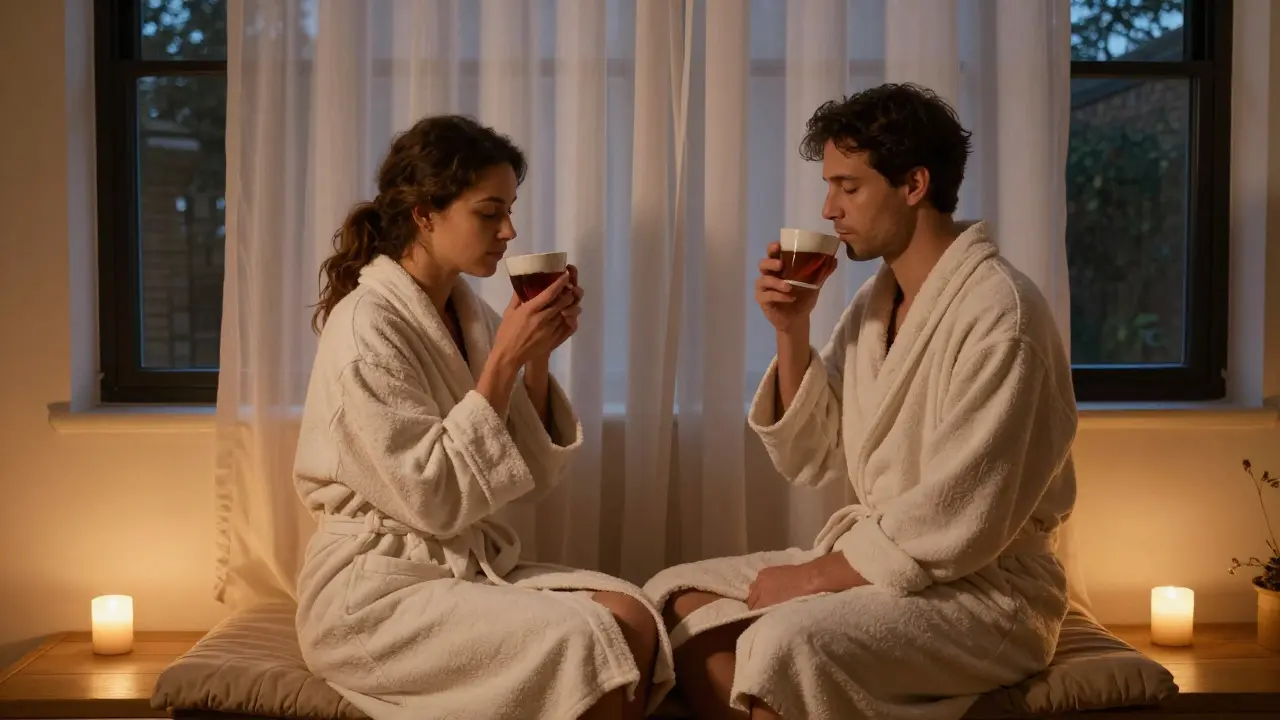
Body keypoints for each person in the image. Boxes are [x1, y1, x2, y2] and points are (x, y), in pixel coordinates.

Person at [643, 83, 1079, 720]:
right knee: (675, 599)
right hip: (891, 564)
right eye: (829, 187)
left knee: (784, 641)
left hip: (987, 594)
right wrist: (791, 329)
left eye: (849, 187)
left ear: (913, 184)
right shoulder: (879, 305)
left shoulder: (1001, 318)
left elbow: (956, 519)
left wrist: (812, 579)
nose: (829, 208)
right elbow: (814, 454)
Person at [292, 115, 673, 720]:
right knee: (587, 640)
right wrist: (504, 360)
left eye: (510, 210)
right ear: (424, 213)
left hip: (455, 566)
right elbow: (433, 498)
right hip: (372, 593)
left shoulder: (464, 314)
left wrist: (537, 360)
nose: (509, 230)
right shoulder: (368, 326)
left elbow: (526, 474)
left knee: (634, 618)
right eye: (489, 212)